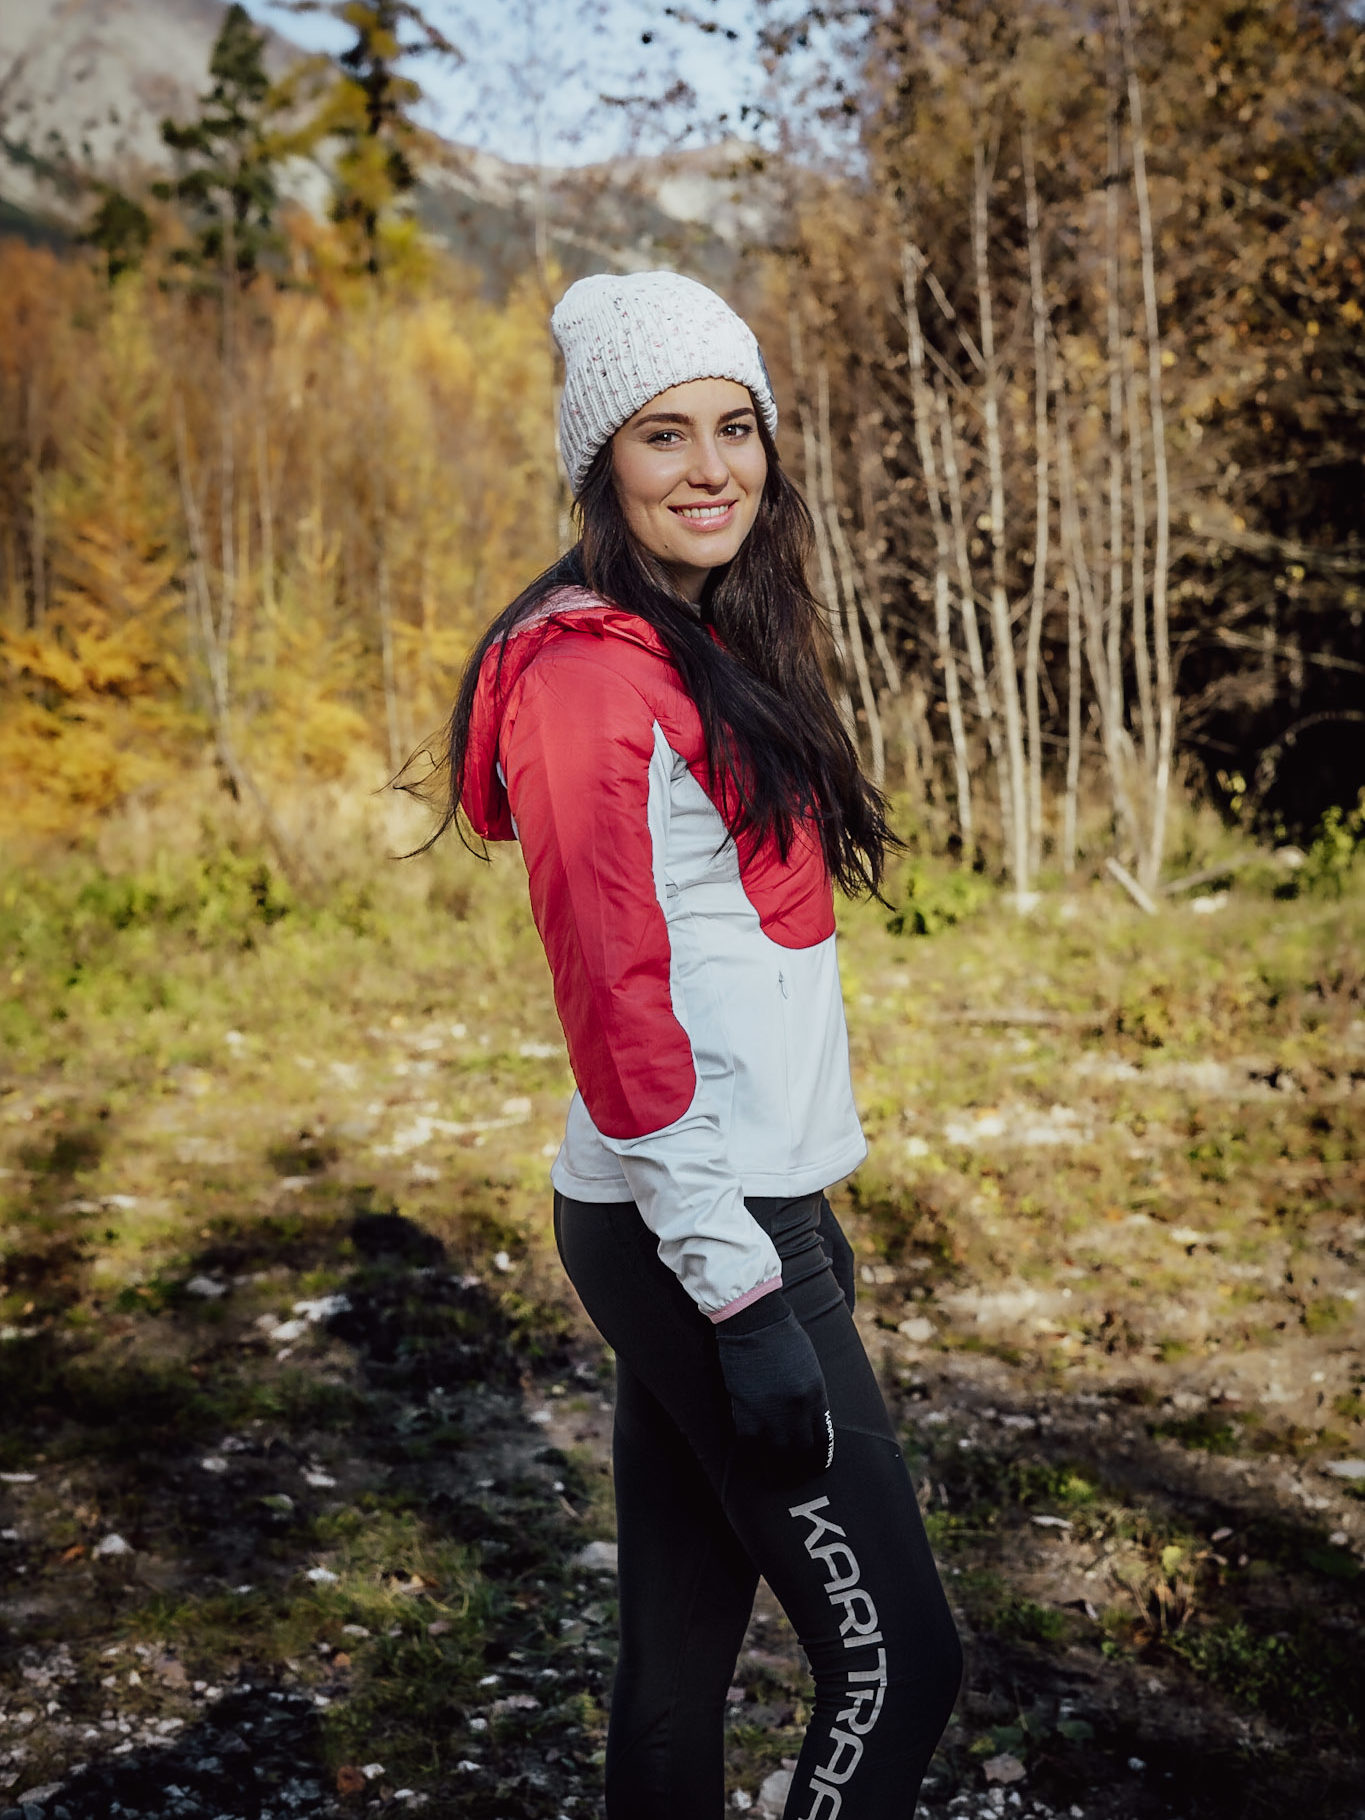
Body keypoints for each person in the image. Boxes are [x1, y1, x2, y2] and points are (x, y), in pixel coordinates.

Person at [431, 271, 961, 1818]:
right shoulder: (585, 677)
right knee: (899, 1667)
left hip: (739, 1200)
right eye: (663, 435)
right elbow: (615, 1001)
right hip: (700, 1225)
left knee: (677, 1656)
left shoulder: (694, 644)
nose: (711, 466)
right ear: (598, 465)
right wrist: (741, 1292)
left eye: (737, 427)